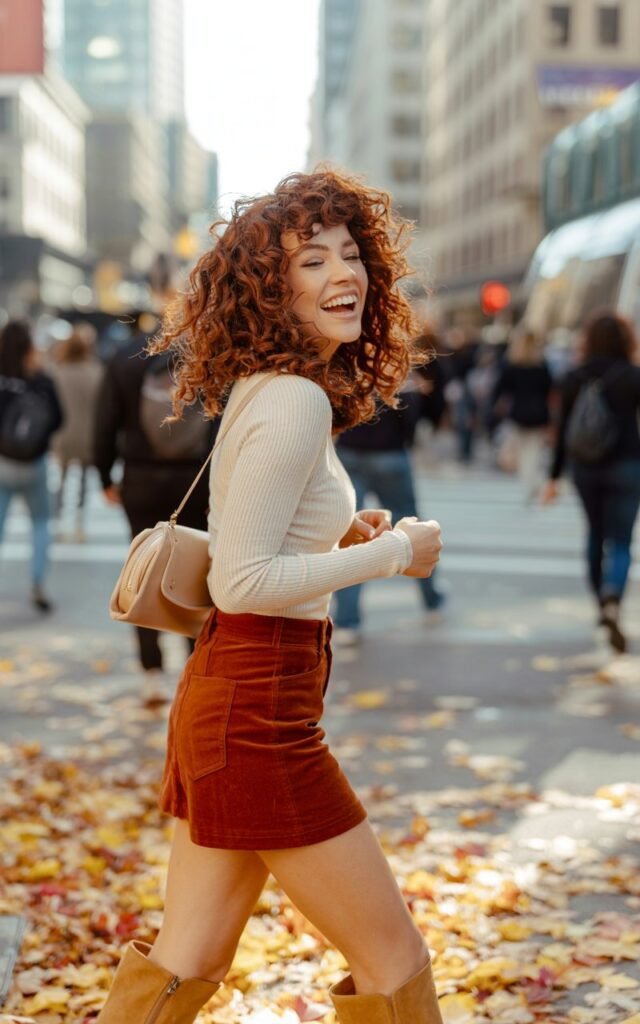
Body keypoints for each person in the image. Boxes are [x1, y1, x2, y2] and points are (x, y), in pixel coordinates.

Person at [94, 170, 444, 1024]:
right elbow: (242, 581)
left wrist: (340, 543)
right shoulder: (291, 399)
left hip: (240, 700)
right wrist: (395, 554)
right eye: (313, 259)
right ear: (271, 288)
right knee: (392, 959)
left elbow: (259, 555)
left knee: (188, 955)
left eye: (352, 254)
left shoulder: (278, 388)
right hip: (258, 715)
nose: (343, 274)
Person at [93, 315, 217, 699]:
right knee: (198, 571)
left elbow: (104, 424)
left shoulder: (124, 356)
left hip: (141, 477)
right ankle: (194, 662)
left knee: (143, 570)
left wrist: (105, 476)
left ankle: (151, 670)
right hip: (197, 480)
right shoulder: (207, 354)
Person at [542, 311, 640, 654]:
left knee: (595, 535)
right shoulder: (633, 376)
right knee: (621, 541)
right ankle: (614, 597)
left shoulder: (573, 377)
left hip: (585, 468)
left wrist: (553, 477)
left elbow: (562, 432)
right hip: (628, 464)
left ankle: (601, 604)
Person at [333, 381, 445, 641]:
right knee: (413, 528)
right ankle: (431, 599)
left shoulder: (351, 371)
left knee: (352, 537)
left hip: (351, 452)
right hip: (391, 454)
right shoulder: (400, 378)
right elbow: (414, 421)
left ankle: (348, 620)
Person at [0, 320, 63, 612]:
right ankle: (38, 581)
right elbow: (59, 418)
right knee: (40, 523)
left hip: (2, 464)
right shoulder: (41, 381)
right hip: (34, 464)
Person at [51, 325, 103, 540]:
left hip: (62, 433)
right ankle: (80, 524)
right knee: (83, 479)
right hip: (87, 433)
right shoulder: (96, 372)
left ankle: (57, 522)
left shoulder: (57, 373)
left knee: (60, 480)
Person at [492, 328, 553, 502]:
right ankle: (533, 482)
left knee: (522, 450)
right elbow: (549, 387)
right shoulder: (541, 364)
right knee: (533, 450)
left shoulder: (512, 363)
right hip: (539, 411)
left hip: (519, 411)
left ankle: (530, 483)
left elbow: (501, 388)